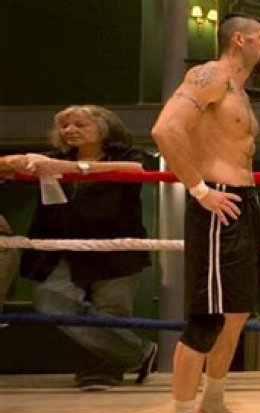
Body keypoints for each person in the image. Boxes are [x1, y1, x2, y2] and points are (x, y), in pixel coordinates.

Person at [151, 13, 260, 413]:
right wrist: (200, 190)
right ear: (238, 40)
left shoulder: (240, 89)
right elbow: (165, 129)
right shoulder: (210, 76)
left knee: (237, 312)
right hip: (216, 202)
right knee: (207, 319)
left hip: (243, 202)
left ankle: (213, 401)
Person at [3, 105, 156, 391]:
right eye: (64, 125)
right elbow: (7, 165)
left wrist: (73, 169)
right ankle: (139, 353)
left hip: (116, 249)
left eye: (79, 125)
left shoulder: (126, 156)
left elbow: (135, 170)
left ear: (104, 129)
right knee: (51, 302)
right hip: (57, 247)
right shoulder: (53, 158)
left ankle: (99, 373)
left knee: (111, 310)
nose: (69, 130)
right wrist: (23, 160)